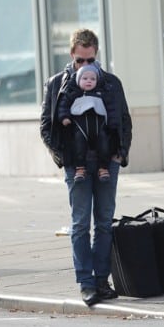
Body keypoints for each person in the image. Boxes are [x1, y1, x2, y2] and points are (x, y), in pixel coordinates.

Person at [40, 28, 132, 306]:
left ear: (97, 56)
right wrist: (62, 157)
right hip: (76, 164)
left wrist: (120, 154)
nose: (85, 67)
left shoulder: (111, 83)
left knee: (104, 223)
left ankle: (102, 280)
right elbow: (46, 126)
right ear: (72, 56)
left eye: (90, 60)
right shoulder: (57, 83)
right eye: (80, 61)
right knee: (80, 224)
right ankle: (86, 282)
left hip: (107, 163)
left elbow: (125, 121)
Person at [58, 64, 118, 183]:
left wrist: (113, 123)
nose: (89, 81)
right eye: (85, 79)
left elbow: (111, 109)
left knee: (104, 145)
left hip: (99, 128)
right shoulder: (74, 94)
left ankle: (103, 168)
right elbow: (63, 106)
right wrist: (64, 117)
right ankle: (80, 168)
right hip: (80, 128)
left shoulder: (101, 94)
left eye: (92, 79)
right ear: (78, 80)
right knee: (78, 145)